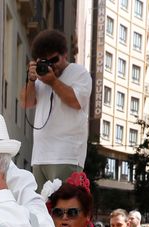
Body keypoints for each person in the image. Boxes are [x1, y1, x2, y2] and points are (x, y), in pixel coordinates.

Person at [18, 29, 92, 186]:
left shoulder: (79, 73)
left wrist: (52, 82)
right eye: (44, 61)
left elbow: (76, 101)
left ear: (65, 54)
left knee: (63, 207)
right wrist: (31, 80)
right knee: (39, 208)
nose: (51, 66)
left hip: (66, 155)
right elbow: (26, 102)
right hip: (39, 156)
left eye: (54, 60)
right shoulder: (41, 78)